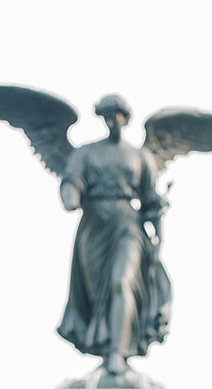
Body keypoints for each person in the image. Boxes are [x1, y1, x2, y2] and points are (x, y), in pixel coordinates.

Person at [56, 93, 171, 374]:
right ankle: (108, 348)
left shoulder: (139, 157)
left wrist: (158, 239)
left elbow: (151, 202)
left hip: (127, 225)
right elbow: (71, 181)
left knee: (121, 282)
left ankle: (117, 353)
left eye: (116, 114)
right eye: (106, 115)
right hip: (94, 227)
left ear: (126, 118)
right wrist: (70, 194)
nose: (111, 120)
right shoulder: (85, 154)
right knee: (98, 296)